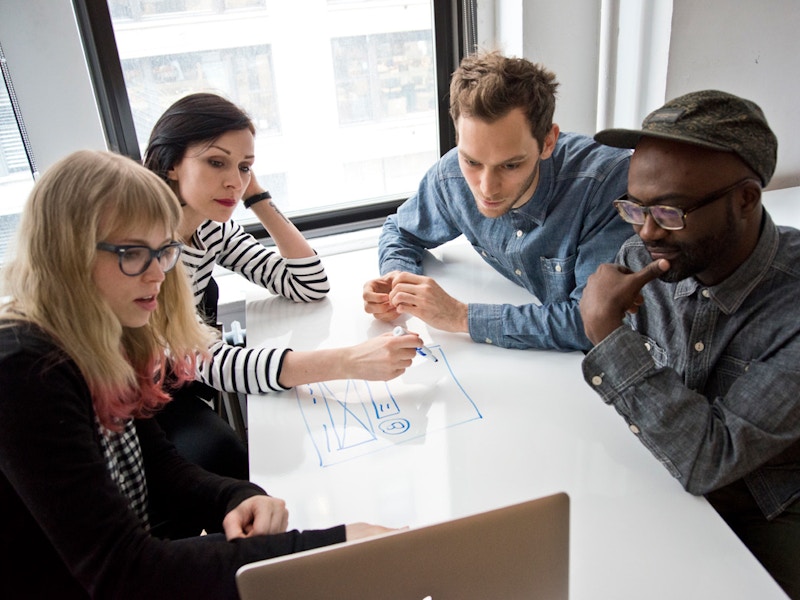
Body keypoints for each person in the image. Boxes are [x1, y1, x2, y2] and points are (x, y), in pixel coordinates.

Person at [0, 149, 395, 599]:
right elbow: (121, 570)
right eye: (132, 253)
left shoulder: (108, 331)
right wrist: (325, 549)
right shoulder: (24, 369)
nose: (157, 275)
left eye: (164, 251)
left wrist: (234, 496)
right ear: (65, 253)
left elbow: (159, 465)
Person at [579, 90, 800, 598]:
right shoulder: (643, 254)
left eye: (671, 212)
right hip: (668, 480)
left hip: (770, 501)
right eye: (634, 207)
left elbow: (710, 461)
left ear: (746, 199)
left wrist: (609, 336)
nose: (648, 231)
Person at [144, 93, 422, 480]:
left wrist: (256, 197)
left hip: (184, 380)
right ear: (171, 163)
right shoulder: (150, 253)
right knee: (239, 456)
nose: (233, 181)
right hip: (146, 400)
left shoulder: (209, 227)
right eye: (216, 162)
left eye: (244, 167)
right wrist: (350, 362)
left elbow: (307, 283)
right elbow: (212, 363)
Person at [362, 50, 632, 351]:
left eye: (510, 165)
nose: (487, 188)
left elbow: (592, 322)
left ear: (548, 142)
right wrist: (398, 281)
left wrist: (460, 316)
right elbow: (400, 230)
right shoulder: (451, 174)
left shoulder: (607, 186)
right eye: (472, 161)